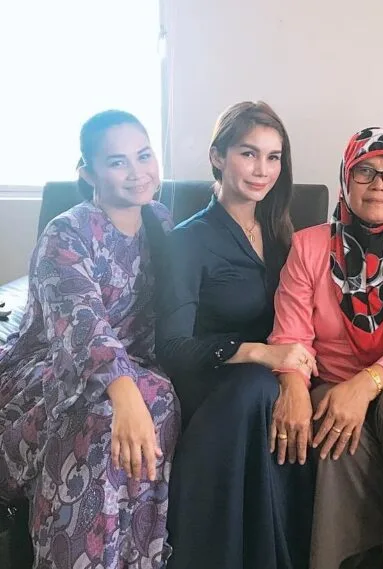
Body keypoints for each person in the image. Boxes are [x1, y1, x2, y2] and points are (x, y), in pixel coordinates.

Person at [268, 127, 383, 569]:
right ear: (345, 178)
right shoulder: (308, 246)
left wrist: (365, 385)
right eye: (365, 171)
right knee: (334, 428)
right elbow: (292, 334)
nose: (379, 185)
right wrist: (292, 387)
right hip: (332, 380)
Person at [0, 110, 178, 568]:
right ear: (88, 173)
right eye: (118, 161)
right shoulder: (66, 232)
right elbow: (81, 324)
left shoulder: (162, 222)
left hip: (140, 369)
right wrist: (124, 393)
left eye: (144, 155)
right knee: (101, 416)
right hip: (55, 367)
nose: (137, 171)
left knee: (159, 398)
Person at [156, 101, 315, 569]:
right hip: (214, 381)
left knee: (272, 388)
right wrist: (259, 353)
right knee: (255, 386)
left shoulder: (284, 234)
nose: (262, 169)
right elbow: (172, 347)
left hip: (270, 379)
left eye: (273, 157)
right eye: (249, 153)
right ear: (217, 157)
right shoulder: (188, 240)